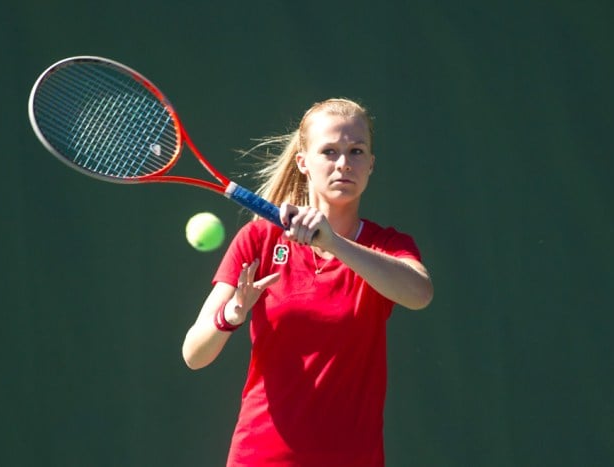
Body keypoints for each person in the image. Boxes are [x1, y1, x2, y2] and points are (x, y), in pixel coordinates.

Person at [181, 98, 433, 466]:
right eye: (329, 151)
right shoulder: (259, 240)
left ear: (371, 164)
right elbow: (194, 354)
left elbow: (419, 293)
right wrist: (232, 314)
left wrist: (332, 241)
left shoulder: (387, 247)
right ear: (303, 162)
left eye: (356, 151)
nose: (344, 163)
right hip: (261, 456)